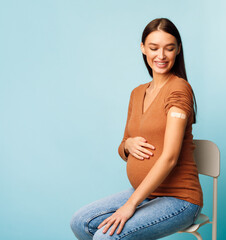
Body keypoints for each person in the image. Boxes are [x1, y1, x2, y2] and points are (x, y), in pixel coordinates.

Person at [70, 18, 203, 240]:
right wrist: (128, 145)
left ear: (178, 50)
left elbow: (170, 157)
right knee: (80, 223)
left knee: (105, 237)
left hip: (179, 199)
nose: (161, 56)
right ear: (143, 48)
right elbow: (124, 146)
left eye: (169, 48)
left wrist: (131, 205)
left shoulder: (179, 90)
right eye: (154, 48)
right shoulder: (137, 93)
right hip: (147, 194)